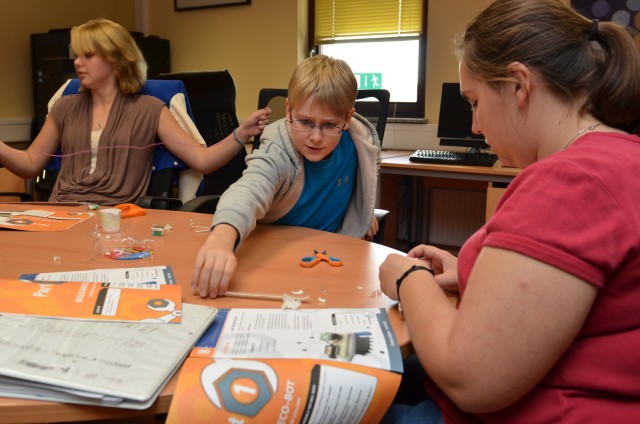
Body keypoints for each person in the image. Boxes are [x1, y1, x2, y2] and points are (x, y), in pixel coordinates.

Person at [379, 0, 640, 422]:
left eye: (475, 102)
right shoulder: (621, 158)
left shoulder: (571, 180)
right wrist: (473, 270)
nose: (476, 126)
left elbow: (471, 380)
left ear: (519, 85)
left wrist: (409, 279)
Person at [0, 18, 270, 205]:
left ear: (117, 60)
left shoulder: (149, 109)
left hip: (115, 220)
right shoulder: (65, 107)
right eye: (77, 55)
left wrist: (240, 134)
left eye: (88, 55)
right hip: (60, 215)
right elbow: (30, 164)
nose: (77, 62)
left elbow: (201, 159)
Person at [192, 55, 381, 298]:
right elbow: (249, 190)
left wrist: (363, 209)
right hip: (278, 259)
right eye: (305, 121)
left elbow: (365, 181)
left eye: (329, 125)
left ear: (347, 118)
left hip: (331, 260)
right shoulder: (278, 150)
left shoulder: (360, 142)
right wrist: (220, 240)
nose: (315, 137)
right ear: (289, 109)